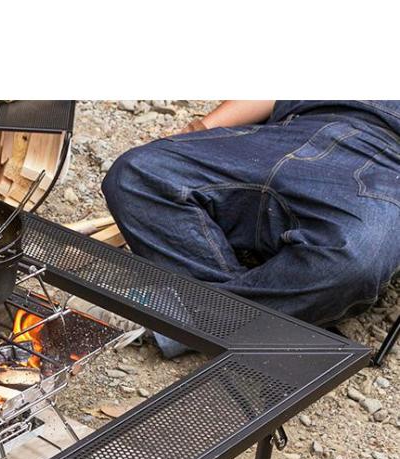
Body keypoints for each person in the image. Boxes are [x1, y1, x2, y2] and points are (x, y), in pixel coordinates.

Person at [102, 101, 400, 357]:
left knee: (356, 260)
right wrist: (200, 130)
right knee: (135, 174)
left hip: (389, 164)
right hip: (291, 129)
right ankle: (262, 318)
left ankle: (179, 316)